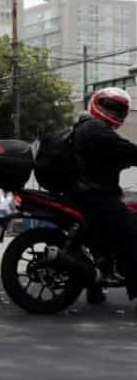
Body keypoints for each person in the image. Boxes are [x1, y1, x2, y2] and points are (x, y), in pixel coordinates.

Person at [69, 87, 137, 305]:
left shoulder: (92, 128)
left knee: (103, 243)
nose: (116, 114)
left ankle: (96, 286)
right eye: (112, 108)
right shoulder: (95, 129)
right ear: (98, 104)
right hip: (94, 194)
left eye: (120, 110)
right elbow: (125, 150)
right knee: (131, 233)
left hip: (90, 191)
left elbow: (116, 154)